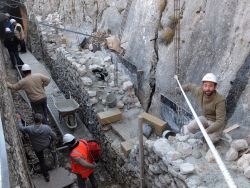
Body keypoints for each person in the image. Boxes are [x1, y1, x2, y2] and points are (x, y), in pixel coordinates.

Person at [181, 73, 226, 143]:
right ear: (202, 86)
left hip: (215, 123)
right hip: (205, 118)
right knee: (190, 127)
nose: (208, 88)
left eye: (211, 86)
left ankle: (213, 134)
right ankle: (204, 133)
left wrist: (206, 131)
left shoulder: (220, 100)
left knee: (210, 140)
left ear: (215, 86)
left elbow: (220, 121)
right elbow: (190, 86)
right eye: (205, 85)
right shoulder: (200, 92)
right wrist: (181, 89)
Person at [16, 113, 56, 182]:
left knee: (41, 161)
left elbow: (21, 128)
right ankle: (54, 162)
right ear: (41, 120)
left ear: (34, 120)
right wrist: (52, 139)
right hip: (47, 145)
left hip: (37, 148)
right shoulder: (46, 127)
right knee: (52, 146)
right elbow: (54, 136)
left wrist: (19, 119)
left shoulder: (29, 128)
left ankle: (46, 176)